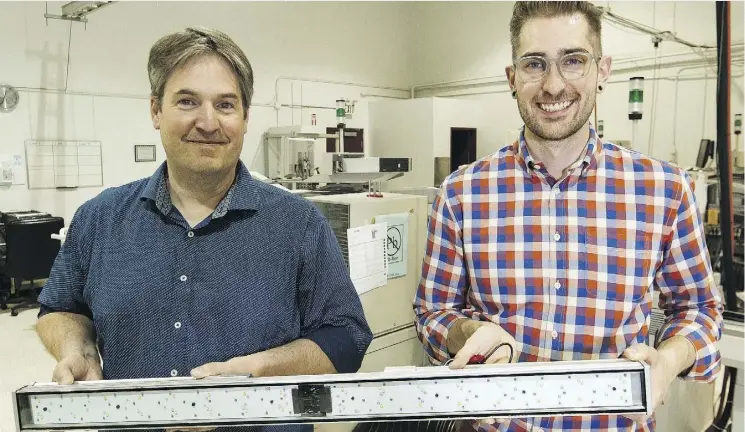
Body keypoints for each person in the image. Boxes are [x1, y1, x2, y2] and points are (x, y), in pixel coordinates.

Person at [35, 26, 372, 432]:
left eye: (226, 105)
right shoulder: (100, 218)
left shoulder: (298, 225)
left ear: (246, 117)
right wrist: (78, 349)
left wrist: (255, 372)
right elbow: (60, 307)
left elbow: (347, 337)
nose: (208, 122)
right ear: (156, 111)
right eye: (188, 101)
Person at [413, 2, 723, 431]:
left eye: (573, 61)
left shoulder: (664, 190)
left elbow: (700, 309)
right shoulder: (462, 194)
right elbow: (433, 313)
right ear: (512, 78)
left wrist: (668, 360)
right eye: (534, 64)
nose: (554, 85)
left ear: (603, 70)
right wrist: (467, 334)